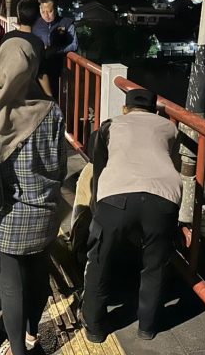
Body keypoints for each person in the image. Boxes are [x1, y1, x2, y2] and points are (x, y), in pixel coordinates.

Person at [0, 37, 66, 355]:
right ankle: (33, 334)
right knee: (38, 278)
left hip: (3, 215)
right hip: (44, 212)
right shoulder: (51, 111)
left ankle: (18, 349)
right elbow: (60, 167)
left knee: (11, 286)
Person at [81, 89, 181, 343]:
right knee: (155, 265)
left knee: (100, 260)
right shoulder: (170, 128)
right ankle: (147, 326)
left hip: (117, 195)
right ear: (155, 111)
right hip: (163, 197)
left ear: (125, 109)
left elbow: (98, 166)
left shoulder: (110, 125)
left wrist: (98, 207)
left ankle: (95, 328)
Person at [1, 0, 53, 97]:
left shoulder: (7, 37)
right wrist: (50, 96)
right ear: (37, 18)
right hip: (26, 93)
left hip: (5, 89)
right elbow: (41, 73)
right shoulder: (37, 43)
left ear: (19, 15)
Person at [32, 0, 78, 99]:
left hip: (60, 68)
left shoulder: (67, 23)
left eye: (50, 11)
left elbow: (74, 45)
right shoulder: (34, 24)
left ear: (56, 9)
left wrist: (55, 51)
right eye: (43, 12)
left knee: (57, 96)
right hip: (38, 69)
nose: (46, 15)